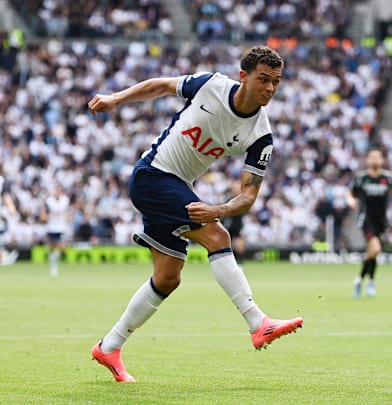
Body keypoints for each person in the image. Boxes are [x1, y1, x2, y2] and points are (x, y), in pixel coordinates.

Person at [87, 46, 303, 383]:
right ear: (243, 76)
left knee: (168, 278)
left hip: (175, 185)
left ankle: (109, 347)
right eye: (264, 79)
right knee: (218, 236)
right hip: (153, 175)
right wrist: (116, 99)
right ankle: (257, 322)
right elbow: (160, 86)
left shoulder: (261, 135)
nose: (270, 89)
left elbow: (248, 196)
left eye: (276, 82)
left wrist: (216, 209)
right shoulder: (211, 85)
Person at [346, 147, 392, 298]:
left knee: (372, 254)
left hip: (381, 220)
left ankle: (360, 280)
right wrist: (351, 200)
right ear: (367, 160)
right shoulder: (361, 177)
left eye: (378, 157)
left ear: (382, 160)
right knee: (375, 249)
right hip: (366, 219)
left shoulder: (387, 178)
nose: (375, 160)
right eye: (372, 157)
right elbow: (350, 193)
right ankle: (370, 282)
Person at [43, 185, 70, 277]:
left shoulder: (65, 200)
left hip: (62, 227)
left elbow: (68, 212)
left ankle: (55, 258)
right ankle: (53, 266)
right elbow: (43, 214)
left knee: (61, 246)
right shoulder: (49, 201)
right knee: (53, 247)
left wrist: (68, 219)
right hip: (52, 227)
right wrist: (48, 217)